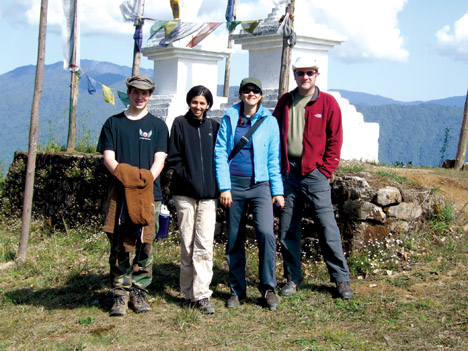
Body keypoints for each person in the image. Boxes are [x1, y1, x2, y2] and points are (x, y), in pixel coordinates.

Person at [273, 57, 354, 299]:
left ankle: (341, 279)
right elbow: (274, 133)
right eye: (300, 73)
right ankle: (292, 277)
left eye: (309, 73)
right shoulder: (285, 102)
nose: (305, 77)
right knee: (288, 228)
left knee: (327, 227)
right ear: (295, 75)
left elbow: (335, 139)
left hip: (316, 174)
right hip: (289, 173)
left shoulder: (327, 103)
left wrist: (325, 170)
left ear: (316, 75)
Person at [97, 74, 169, 316]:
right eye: (136, 92)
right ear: (128, 93)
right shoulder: (112, 124)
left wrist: (145, 181)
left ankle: (139, 290)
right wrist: (127, 179)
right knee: (119, 245)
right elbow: (109, 158)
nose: (140, 97)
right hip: (119, 193)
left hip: (150, 194)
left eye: (145, 93)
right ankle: (119, 292)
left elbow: (160, 160)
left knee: (144, 244)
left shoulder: (158, 126)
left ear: (150, 96)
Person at [215, 77, 284, 310]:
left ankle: (267, 288)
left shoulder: (269, 121)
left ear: (261, 95)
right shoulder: (230, 117)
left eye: (255, 90)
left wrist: (278, 191)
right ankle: (237, 289)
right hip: (234, 184)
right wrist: (224, 186)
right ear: (241, 93)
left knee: (266, 233)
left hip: (260, 185)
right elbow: (220, 153)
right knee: (235, 237)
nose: (251, 94)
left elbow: (274, 158)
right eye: (247, 90)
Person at [167, 85, 219, 314]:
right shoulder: (179, 123)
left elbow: (220, 157)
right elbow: (174, 158)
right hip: (184, 194)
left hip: (209, 196)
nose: (198, 107)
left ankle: (202, 294)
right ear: (189, 102)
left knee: (204, 244)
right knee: (188, 244)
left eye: (203, 103)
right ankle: (187, 292)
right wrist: (188, 179)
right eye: (195, 102)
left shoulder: (214, 127)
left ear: (208, 105)